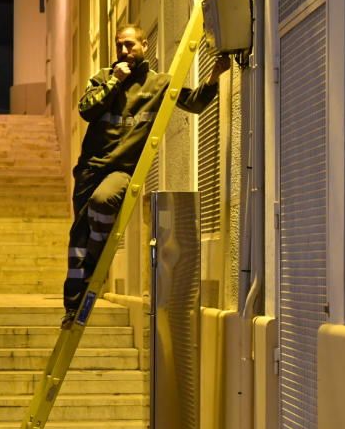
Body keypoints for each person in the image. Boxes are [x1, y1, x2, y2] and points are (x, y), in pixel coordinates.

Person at [62, 24, 230, 328]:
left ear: (144, 45)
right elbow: (86, 110)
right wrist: (115, 80)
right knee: (78, 238)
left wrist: (214, 76)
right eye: (119, 46)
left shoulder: (159, 85)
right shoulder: (102, 77)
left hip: (121, 171)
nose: (124, 51)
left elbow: (194, 103)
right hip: (89, 169)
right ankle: (73, 307)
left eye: (130, 45)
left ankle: (96, 268)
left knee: (103, 201)